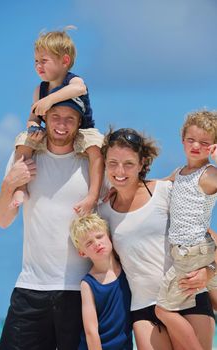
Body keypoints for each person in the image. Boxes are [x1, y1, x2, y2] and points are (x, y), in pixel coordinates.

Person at [98, 127, 216, 350]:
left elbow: (207, 236)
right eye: (112, 163)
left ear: (142, 163)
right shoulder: (103, 212)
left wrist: (209, 271)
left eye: (129, 163)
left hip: (188, 295)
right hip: (143, 307)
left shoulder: (164, 192)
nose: (119, 170)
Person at [0, 98, 96, 350]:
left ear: (79, 123)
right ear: (45, 119)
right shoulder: (25, 157)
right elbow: (3, 220)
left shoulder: (91, 165)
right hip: (31, 287)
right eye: (55, 117)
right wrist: (8, 185)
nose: (62, 125)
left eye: (70, 118)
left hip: (82, 290)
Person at [12, 28, 104, 215]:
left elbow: (78, 89)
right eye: (36, 61)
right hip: (52, 131)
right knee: (23, 140)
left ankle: (93, 195)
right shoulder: (40, 89)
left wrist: (50, 100)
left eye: (44, 61)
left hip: (83, 130)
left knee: (96, 147)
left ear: (65, 61)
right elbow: (32, 118)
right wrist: (34, 127)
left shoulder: (73, 80)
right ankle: (20, 187)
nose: (38, 66)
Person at [154, 110, 217, 350]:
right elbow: (159, 185)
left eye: (204, 143)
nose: (196, 146)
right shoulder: (180, 173)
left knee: (162, 309)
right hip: (193, 250)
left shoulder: (208, 174)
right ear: (182, 140)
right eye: (191, 140)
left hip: (192, 252)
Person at [70, 213, 133, 350]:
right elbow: (91, 331)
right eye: (89, 243)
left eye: (99, 236)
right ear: (82, 253)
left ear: (109, 237)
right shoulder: (88, 284)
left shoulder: (127, 268)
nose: (97, 243)